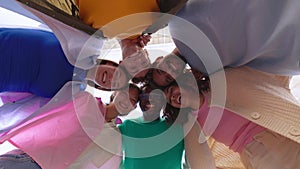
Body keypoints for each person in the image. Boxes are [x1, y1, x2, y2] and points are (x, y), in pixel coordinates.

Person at [163, 67, 300, 168]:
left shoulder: (217, 84)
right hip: (256, 151)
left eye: (171, 91)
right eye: (170, 100)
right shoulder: (192, 123)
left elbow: (264, 79)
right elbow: (197, 159)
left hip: (279, 126)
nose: (173, 97)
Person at [0, 83, 141, 169]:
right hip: (29, 159)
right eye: (124, 94)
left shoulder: (115, 137)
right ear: (115, 92)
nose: (127, 101)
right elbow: (49, 109)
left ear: (133, 107)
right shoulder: (86, 101)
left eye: (133, 100)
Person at [168, 0, 300, 76]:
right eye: (169, 78)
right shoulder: (176, 25)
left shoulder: (176, 24)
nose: (170, 70)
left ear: (158, 60)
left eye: (161, 70)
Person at [118, 84, 185, 169]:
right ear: (139, 101)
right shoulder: (128, 126)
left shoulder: (176, 127)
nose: (150, 100)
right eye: (145, 96)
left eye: (156, 97)